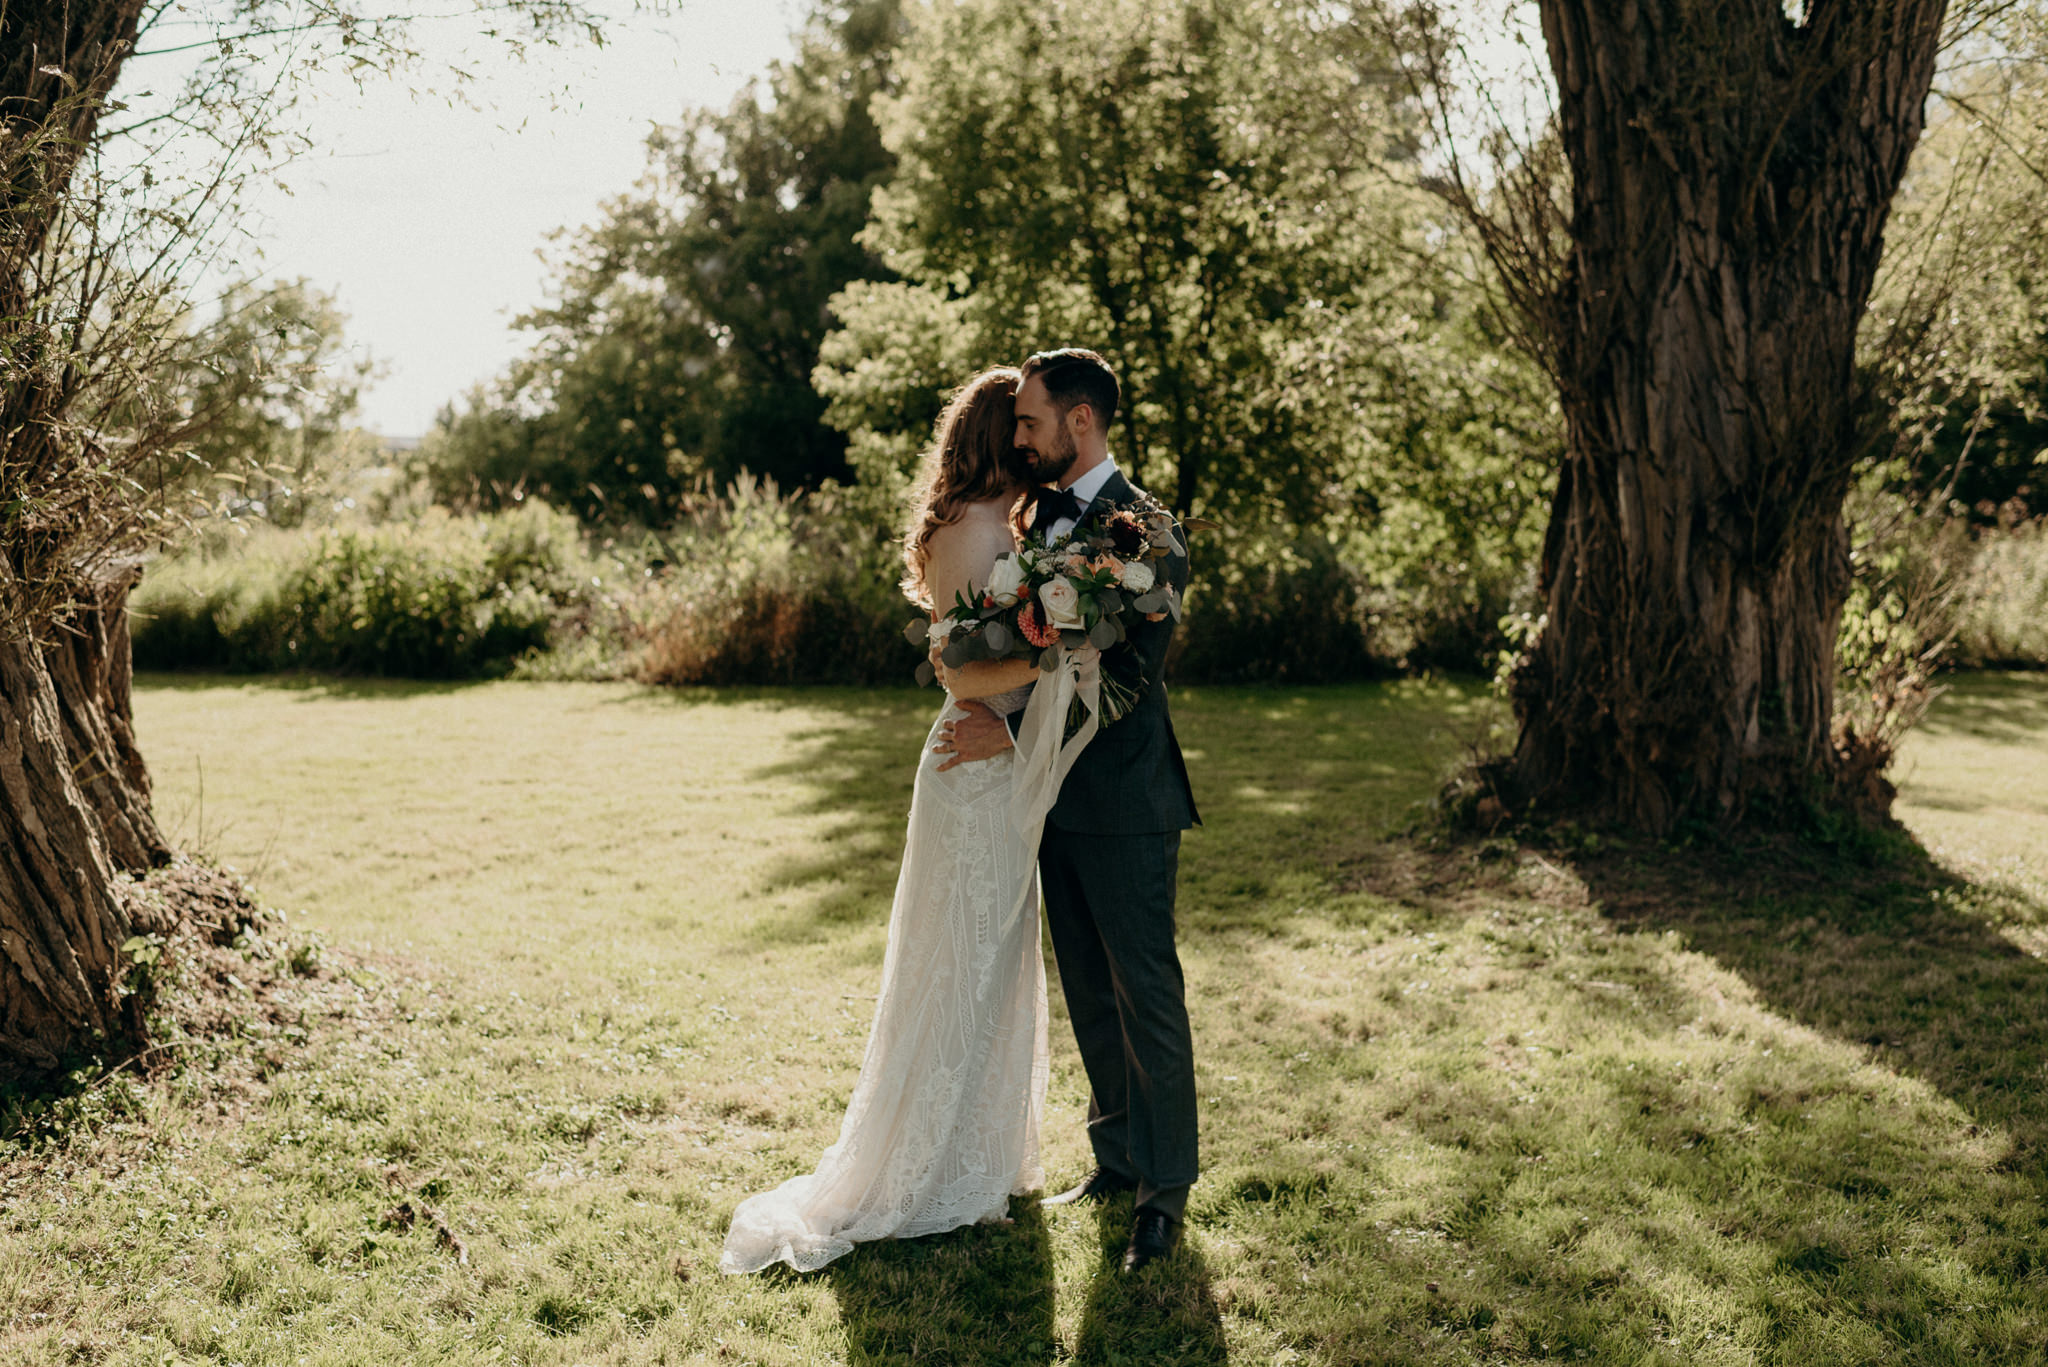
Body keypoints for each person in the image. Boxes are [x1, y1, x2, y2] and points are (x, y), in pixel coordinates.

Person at [719, 367, 1052, 1274]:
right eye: (1022, 432)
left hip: (982, 754)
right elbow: (963, 666)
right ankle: (939, 1168)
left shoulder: (977, 525)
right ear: (998, 438)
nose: (1035, 445)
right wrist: (1051, 677)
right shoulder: (981, 532)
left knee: (984, 954)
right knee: (966, 958)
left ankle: (981, 1157)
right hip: (978, 754)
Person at [935, 347, 1201, 1275]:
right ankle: (1117, 1158)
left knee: (1146, 992)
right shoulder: (1037, 518)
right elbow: (1015, 643)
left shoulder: (1148, 536)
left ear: (1079, 421)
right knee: (1088, 985)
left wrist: (1009, 738)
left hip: (1127, 794)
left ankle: (1163, 1198)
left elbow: (1125, 679)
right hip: (1050, 800)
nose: (1021, 436)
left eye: (1032, 421)